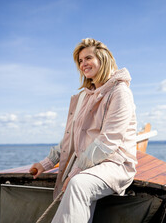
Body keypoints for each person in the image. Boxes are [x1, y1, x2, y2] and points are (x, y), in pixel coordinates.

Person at [30, 38, 137, 222]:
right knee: (74, 183)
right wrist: (46, 163)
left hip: (115, 164)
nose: (83, 64)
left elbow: (109, 140)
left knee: (78, 183)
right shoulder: (83, 97)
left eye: (88, 58)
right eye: (80, 61)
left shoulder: (120, 92)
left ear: (103, 59)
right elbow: (71, 137)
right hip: (89, 163)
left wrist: (78, 168)